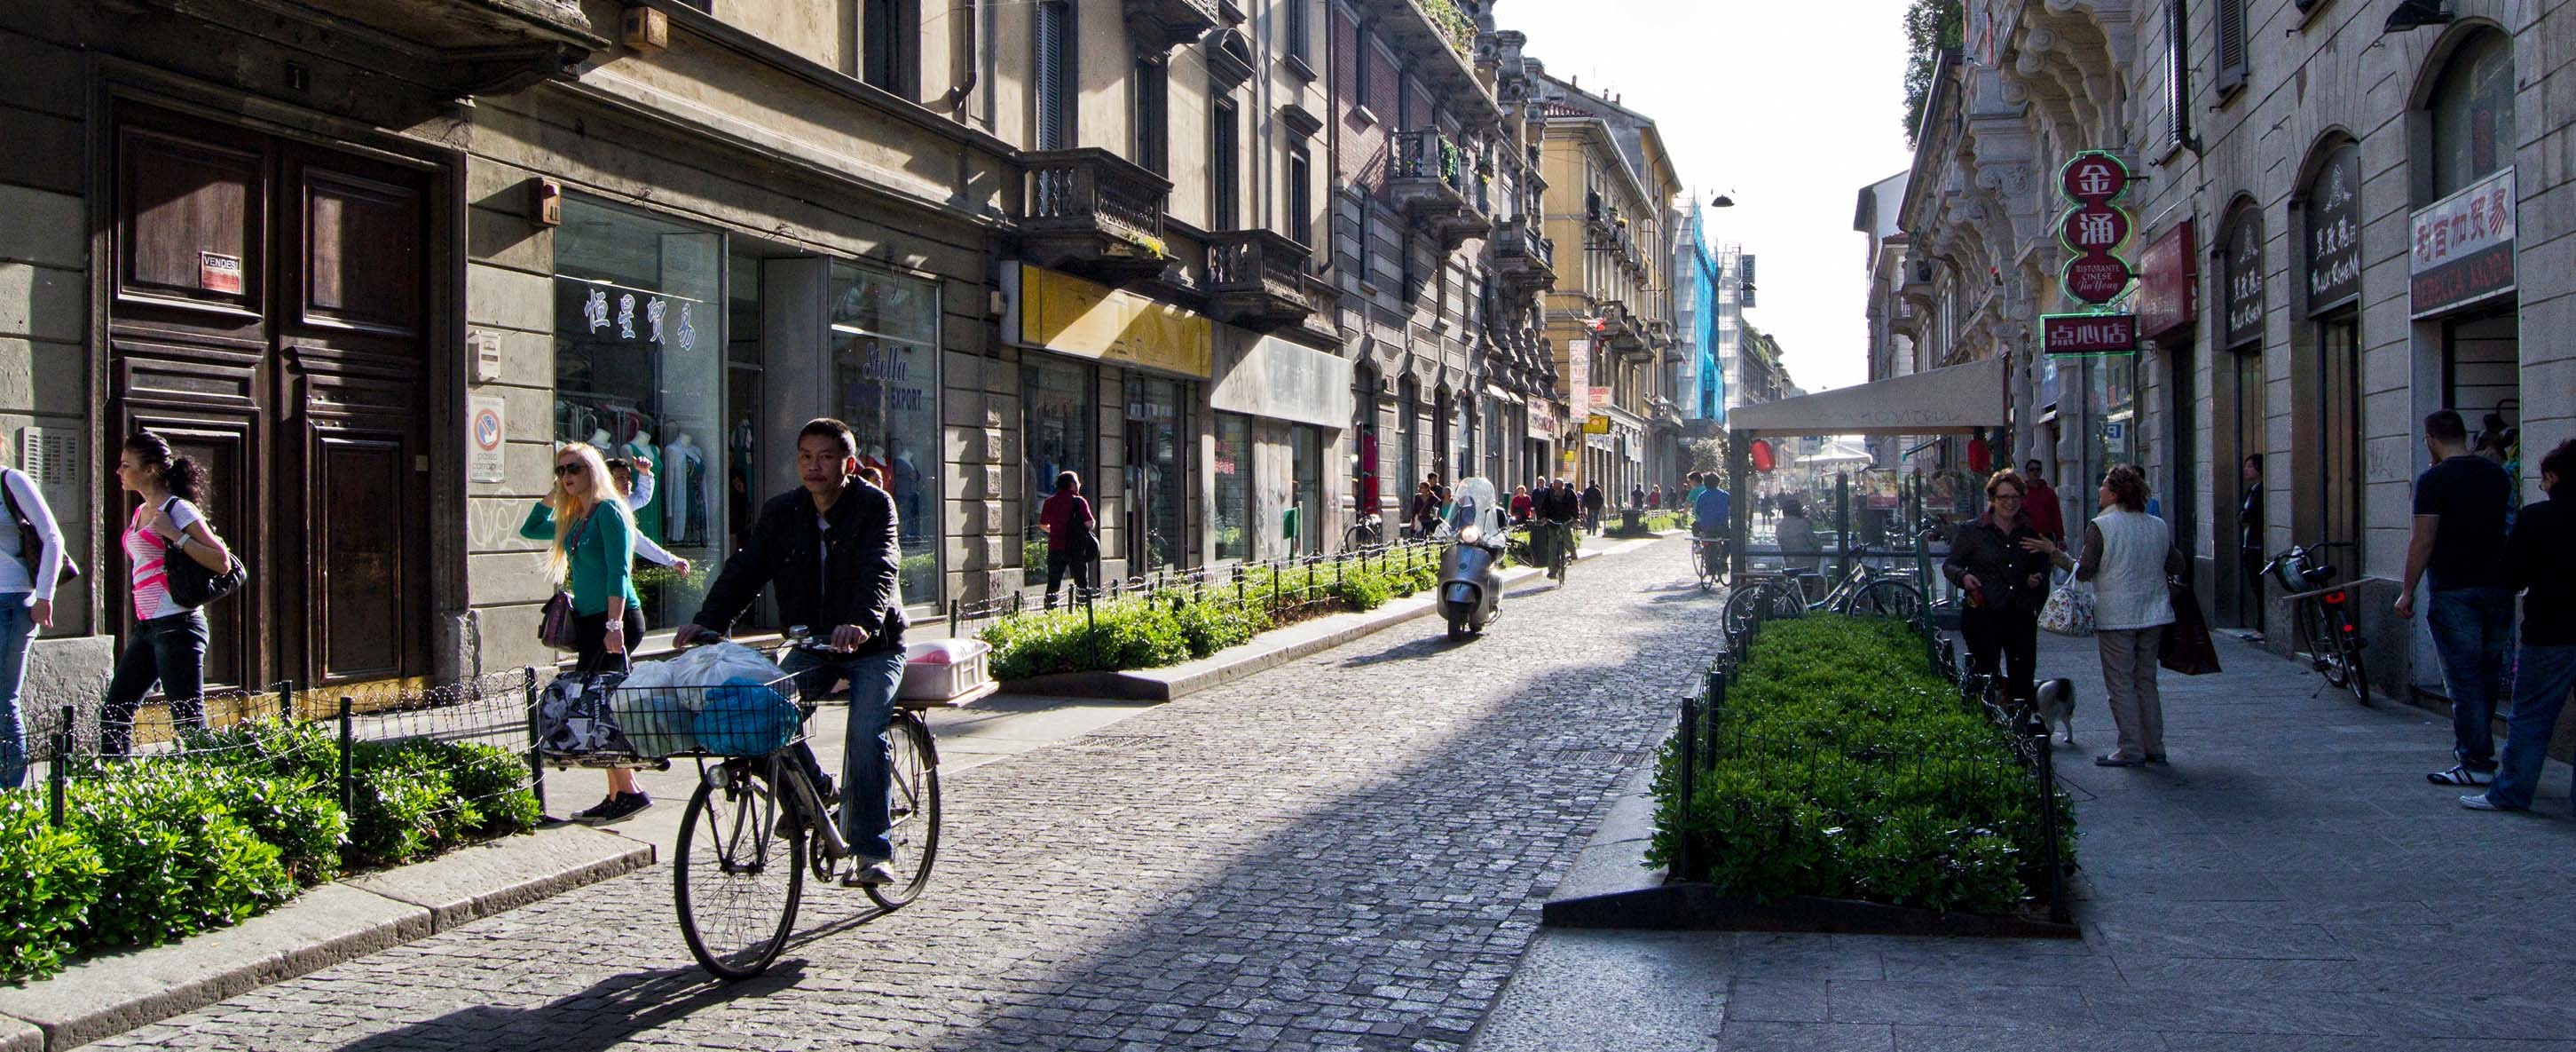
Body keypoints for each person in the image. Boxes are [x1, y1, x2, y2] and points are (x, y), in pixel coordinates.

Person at [678, 418, 910, 889]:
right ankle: (814, 796)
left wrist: (862, 622)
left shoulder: (873, 505)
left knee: (865, 734)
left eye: (825, 457)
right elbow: (745, 569)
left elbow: (880, 566)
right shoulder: (783, 512)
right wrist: (709, 622)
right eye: (805, 456)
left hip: (874, 646)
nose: (814, 466)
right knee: (761, 716)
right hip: (811, 645)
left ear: (848, 464)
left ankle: (871, 851)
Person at [522, 442, 648, 824]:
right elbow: (530, 528)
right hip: (594, 623)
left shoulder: (609, 510)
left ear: (592, 469)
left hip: (616, 620)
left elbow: (618, 573)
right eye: (561, 471)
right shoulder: (577, 516)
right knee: (598, 706)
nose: (566, 476)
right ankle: (619, 793)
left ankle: (628, 791)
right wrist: (557, 492)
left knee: (602, 708)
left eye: (574, 468)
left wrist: (614, 626)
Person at [2030, 465, 2185, 766]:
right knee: (2146, 681)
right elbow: (2177, 565)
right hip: (2154, 612)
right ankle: (2155, 746)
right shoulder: (2158, 526)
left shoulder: (2101, 526)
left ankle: (2130, 748)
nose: (2099, 491)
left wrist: (2053, 552)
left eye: (2103, 485)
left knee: (2120, 683)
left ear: (2114, 493)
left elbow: (2084, 571)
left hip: (2117, 614)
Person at [2397, 409, 2516, 787]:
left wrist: (2407, 590)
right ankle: (2481, 754)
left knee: (2463, 679)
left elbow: (2424, 539)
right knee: (2487, 673)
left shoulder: (2434, 480)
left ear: (2431, 440)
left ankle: (2476, 761)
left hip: (2455, 588)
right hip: (2497, 586)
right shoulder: (2496, 474)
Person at [99, 432, 235, 756]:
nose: (118, 472)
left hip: (179, 626)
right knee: (114, 714)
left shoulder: (178, 510)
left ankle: (214, 787)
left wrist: (176, 536)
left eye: (125, 465)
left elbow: (222, 561)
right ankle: (115, 790)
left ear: (149, 470)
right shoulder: (140, 512)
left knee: (188, 723)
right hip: (148, 628)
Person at [2462, 439, 2576, 811]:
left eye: (2543, 479)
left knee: (2530, 717)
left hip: (2550, 630)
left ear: (2553, 477)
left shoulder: (2537, 518)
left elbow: (2512, 574)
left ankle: (2512, 791)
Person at [1942, 470, 2052, 711]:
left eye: (2015, 497)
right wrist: (1964, 577)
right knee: (1985, 671)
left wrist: (2037, 577)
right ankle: (1989, 720)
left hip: (2020, 611)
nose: (2010, 503)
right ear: (1992, 499)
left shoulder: (2029, 530)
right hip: (1984, 612)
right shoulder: (1973, 531)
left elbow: (2041, 562)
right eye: (2003, 497)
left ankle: (2022, 725)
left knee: (2022, 672)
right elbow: (1950, 565)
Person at [0, 450, 66, 787]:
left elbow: (53, 536)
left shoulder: (10, 480)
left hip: (11, 602)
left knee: (2, 700)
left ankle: (13, 797)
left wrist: (45, 595)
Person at [607, 456, 689, 578]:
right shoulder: (606, 507)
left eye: (629, 478)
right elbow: (638, 540)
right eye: (620, 478)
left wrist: (645, 473)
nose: (627, 482)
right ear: (607, 480)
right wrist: (672, 561)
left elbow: (642, 497)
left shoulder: (623, 503)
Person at [1038, 471, 1095, 610]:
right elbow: (1090, 523)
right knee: (1081, 582)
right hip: (1076, 547)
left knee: (1053, 583)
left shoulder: (1049, 501)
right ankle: (1082, 611)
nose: (1079, 485)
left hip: (1055, 547)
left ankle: (1049, 611)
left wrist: (1057, 530)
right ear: (1072, 485)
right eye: (1077, 482)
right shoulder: (1079, 501)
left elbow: (1043, 525)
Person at [2238, 455, 2266, 642]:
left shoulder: (2262, 491)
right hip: (2249, 544)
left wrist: (2244, 516)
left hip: (2257, 546)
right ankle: (2260, 626)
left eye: (2250, 466)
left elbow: (2249, 515)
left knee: (2260, 586)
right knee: (2256, 587)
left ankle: (2262, 627)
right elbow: (2242, 514)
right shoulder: (2252, 491)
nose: (2246, 469)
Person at [1690, 477, 1731, 581]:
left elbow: (1697, 511)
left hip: (1706, 527)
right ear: (1718, 483)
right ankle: (1723, 558)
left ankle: (1700, 547)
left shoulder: (1702, 496)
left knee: (1698, 528)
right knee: (1729, 540)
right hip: (1722, 526)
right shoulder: (1725, 495)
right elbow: (1732, 508)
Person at [1539, 478, 1580, 578]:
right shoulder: (1549, 494)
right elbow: (1544, 507)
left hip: (1566, 520)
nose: (1557, 491)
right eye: (1555, 488)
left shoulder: (1570, 494)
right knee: (1552, 547)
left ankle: (1573, 551)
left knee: (1567, 538)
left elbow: (1575, 507)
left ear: (1563, 486)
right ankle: (1553, 571)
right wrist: (1544, 517)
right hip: (1552, 522)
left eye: (1559, 488)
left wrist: (1576, 518)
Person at [2022, 460, 2066, 548]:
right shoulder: (2021, 492)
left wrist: (2060, 537)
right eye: (2032, 470)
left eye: (2038, 469)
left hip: (2045, 537)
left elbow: (2056, 515)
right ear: (2027, 472)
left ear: (2041, 472)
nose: (2035, 472)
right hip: (2026, 537)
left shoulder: (2049, 493)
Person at [1775, 496, 1821, 574]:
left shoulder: (1780, 526)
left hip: (1789, 561)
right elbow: (1815, 543)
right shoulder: (1803, 524)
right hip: (1808, 561)